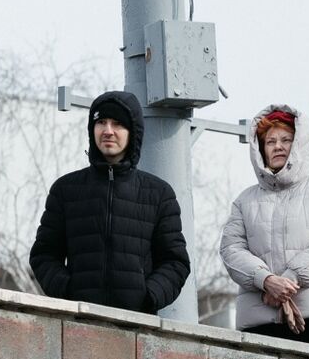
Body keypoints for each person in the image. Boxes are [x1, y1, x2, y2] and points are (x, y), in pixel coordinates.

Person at [29, 90, 190, 315]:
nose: (108, 131)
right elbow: (43, 255)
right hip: (78, 321)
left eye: (118, 124)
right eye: (101, 122)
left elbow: (175, 263)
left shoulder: (159, 194)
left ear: (133, 131)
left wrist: (147, 296)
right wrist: (68, 292)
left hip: (137, 325)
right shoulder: (65, 190)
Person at [219, 104, 309, 349]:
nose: (278, 146)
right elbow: (231, 250)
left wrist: (288, 281)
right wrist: (266, 280)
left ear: (300, 145)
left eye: (286, 139)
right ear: (260, 149)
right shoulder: (244, 200)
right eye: (270, 142)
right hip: (260, 321)